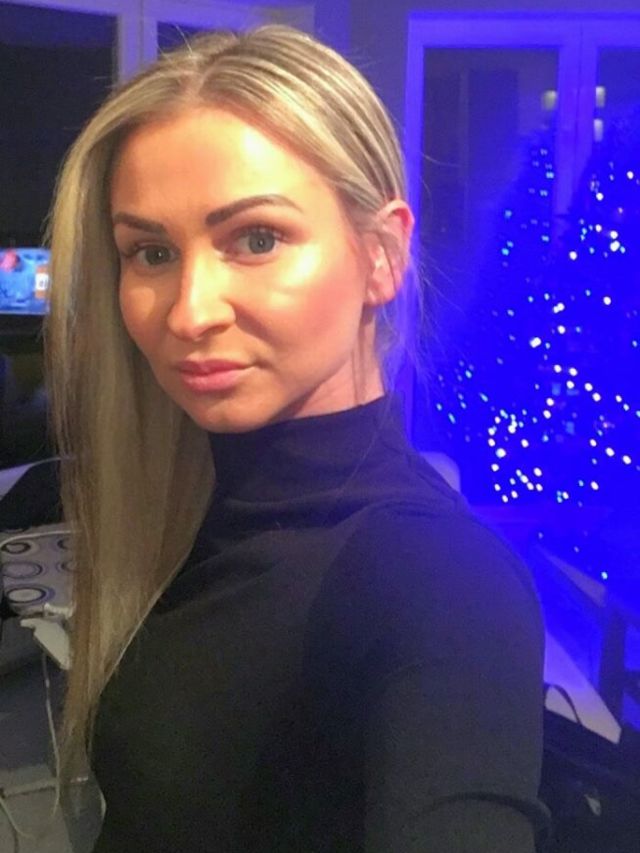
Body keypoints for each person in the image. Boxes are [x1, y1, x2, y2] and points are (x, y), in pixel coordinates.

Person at [45, 24, 550, 852]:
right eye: (152, 252)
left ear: (381, 255)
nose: (190, 311)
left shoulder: (440, 581)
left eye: (257, 238)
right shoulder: (190, 508)